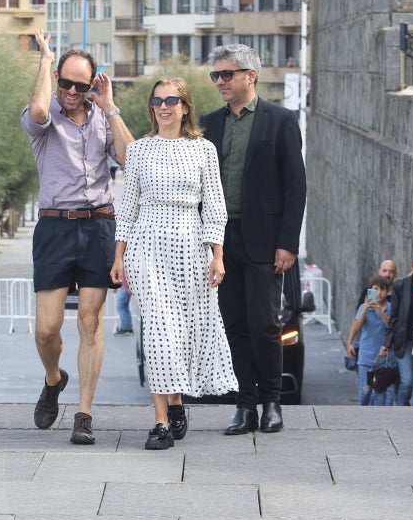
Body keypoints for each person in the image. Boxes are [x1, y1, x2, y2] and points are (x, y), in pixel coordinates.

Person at [111, 79, 236, 450]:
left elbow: (214, 206)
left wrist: (218, 254)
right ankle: (161, 422)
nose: (163, 106)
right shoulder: (138, 151)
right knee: (158, 332)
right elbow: (128, 206)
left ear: (185, 106)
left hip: (190, 244)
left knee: (183, 332)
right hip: (147, 244)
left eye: (171, 100)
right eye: (157, 100)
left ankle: (177, 404)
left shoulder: (204, 150)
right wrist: (119, 256)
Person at [23, 29, 132, 444]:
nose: (70, 90)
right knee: (46, 330)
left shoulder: (103, 116)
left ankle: (84, 413)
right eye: (65, 82)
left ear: (91, 86)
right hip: (54, 226)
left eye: (79, 85)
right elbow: (36, 109)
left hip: (99, 224)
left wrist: (111, 107)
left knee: (90, 322)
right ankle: (54, 378)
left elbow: (129, 158)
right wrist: (46, 59)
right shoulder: (45, 116)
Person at [200, 44, 306, 435]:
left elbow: (296, 187)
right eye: (216, 75)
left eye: (227, 74)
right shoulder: (208, 123)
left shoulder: (280, 120)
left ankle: (272, 402)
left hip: (264, 240)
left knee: (264, 323)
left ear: (251, 75)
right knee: (235, 324)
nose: (220, 81)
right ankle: (244, 405)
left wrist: (288, 244)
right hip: (221, 240)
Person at [347, 274, 394, 406]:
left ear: (387, 291)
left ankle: (377, 425)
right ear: (370, 291)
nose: (379, 293)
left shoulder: (390, 308)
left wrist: (381, 312)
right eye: (376, 289)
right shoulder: (364, 307)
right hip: (366, 356)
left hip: (383, 358)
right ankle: (362, 421)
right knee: (365, 392)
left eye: (382, 289)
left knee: (380, 392)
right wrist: (365, 309)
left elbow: (391, 327)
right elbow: (356, 326)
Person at [382, 254, 413, 406]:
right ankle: (401, 411)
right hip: (405, 340)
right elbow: (394, 317)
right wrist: (386, 344)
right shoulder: (401, 286)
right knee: (407, 381)